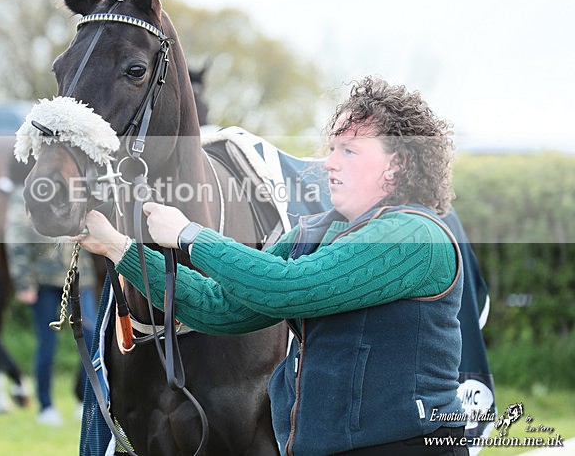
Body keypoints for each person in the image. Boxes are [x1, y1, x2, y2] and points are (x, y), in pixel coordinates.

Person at [75, 76, 469, 455]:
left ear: (396, 163)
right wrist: (119, 248)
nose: (329, 163)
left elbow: (290, 287)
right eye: (333, 148)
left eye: (349, 151)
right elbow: (219, 306)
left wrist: (190, 235)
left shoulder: (416, 234)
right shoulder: (316, 231)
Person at [4, 184, 97, 426]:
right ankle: (45, 406)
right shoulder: (28, 192)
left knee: (92, 338)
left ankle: (83, 398)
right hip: (44, 281)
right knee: (47, 344)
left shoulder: (79, 187)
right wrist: (24, 282)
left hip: (80, 278)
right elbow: (16, 237)